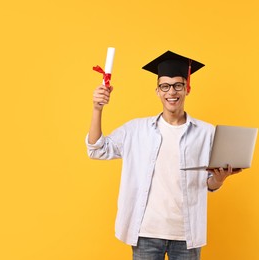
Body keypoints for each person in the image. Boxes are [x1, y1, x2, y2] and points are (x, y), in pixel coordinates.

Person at [86, 50, 241, 260]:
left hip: (187, 234)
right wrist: (97, 109)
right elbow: (97, 149)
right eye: (165, 86)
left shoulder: (207, 133)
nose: (172, 92)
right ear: (157, 91)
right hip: (146, 233)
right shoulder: (136, 130)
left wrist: (220, 179)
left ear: (187, 88)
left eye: (178, 85)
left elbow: (209, 184)